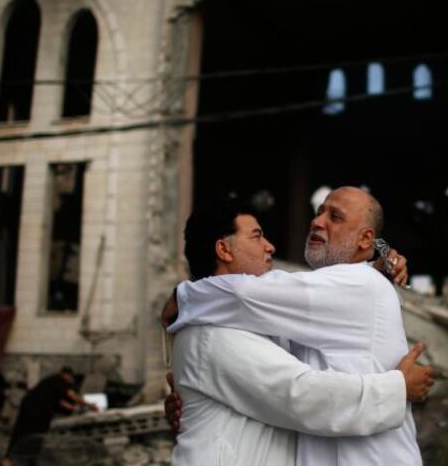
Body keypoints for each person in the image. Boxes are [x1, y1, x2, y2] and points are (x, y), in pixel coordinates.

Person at [166, 186, 428, 465]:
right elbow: (298, 395)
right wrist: (396, 389)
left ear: (365, 239)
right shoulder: (213, 329)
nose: (316, 222)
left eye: (335, 216)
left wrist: (181, 299)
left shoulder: (359, 284)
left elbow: (248, 296)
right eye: (257, 237)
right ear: (223, 249)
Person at [4, 367, 96, 463]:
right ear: (67, 376)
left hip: (34, 408)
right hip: (34, 409)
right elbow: (72, 396)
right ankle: (14, 458)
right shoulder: (59, 380)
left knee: (28, 433)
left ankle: (26, 458)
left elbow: (60, 402)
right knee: (28, 433)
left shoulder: (52, 383)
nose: (71, 384)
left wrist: (75, 409)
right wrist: (89, 405)